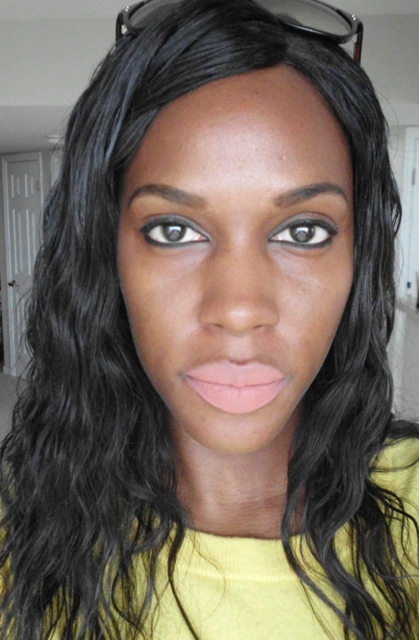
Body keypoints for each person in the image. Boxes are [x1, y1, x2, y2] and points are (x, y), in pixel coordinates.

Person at [1, 0, 418, 638]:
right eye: (173, 230)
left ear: (359, 257)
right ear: (104, 253)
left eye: (303, 231)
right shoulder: (19, 533)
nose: (239, 310)